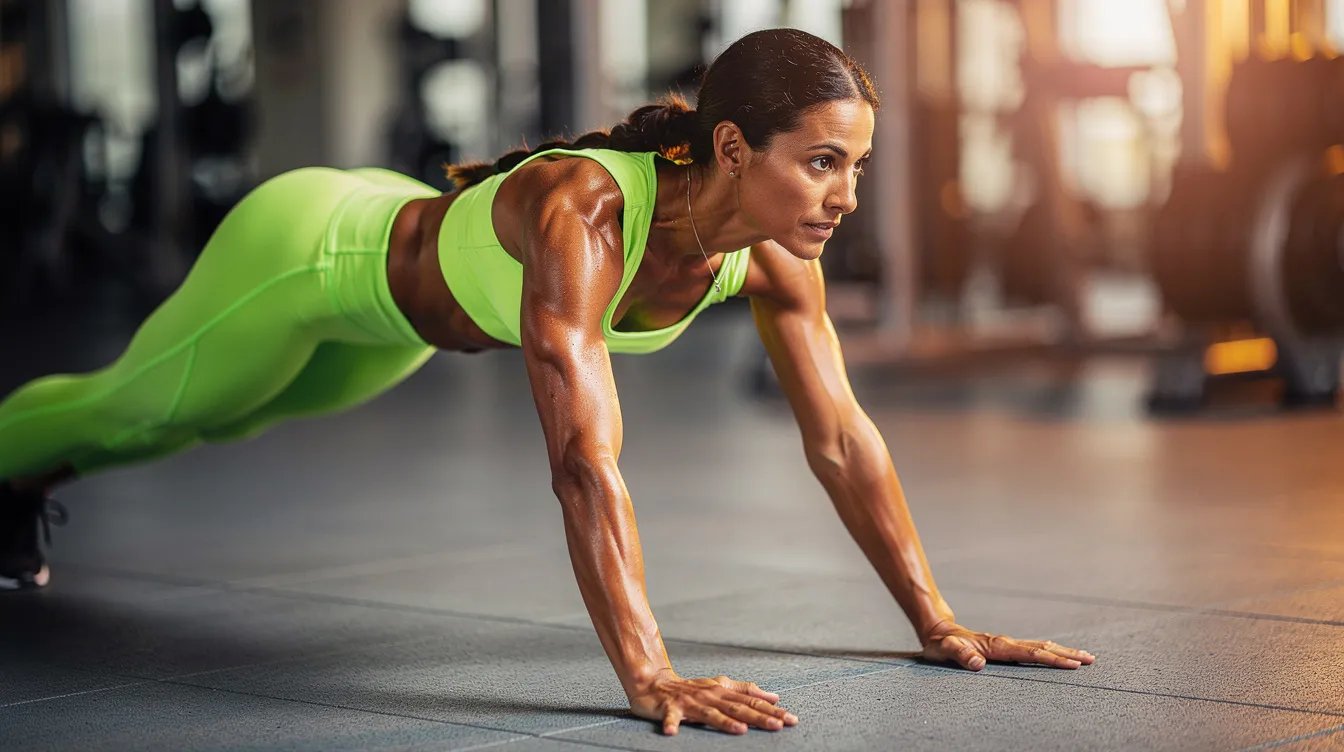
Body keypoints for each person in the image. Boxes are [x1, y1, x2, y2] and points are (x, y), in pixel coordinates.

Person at [0, 28, 1093, 736]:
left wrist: (938, 618)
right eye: (821, 162)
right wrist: (649, 671)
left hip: (405, 328)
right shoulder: (590, 214)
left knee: (207, 426)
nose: (846, 196)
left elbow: (843, 438)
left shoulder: (768, 260)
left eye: (857, 166)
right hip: (311, 254)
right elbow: (583, 459)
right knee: (141, 408)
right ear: (729, 147)